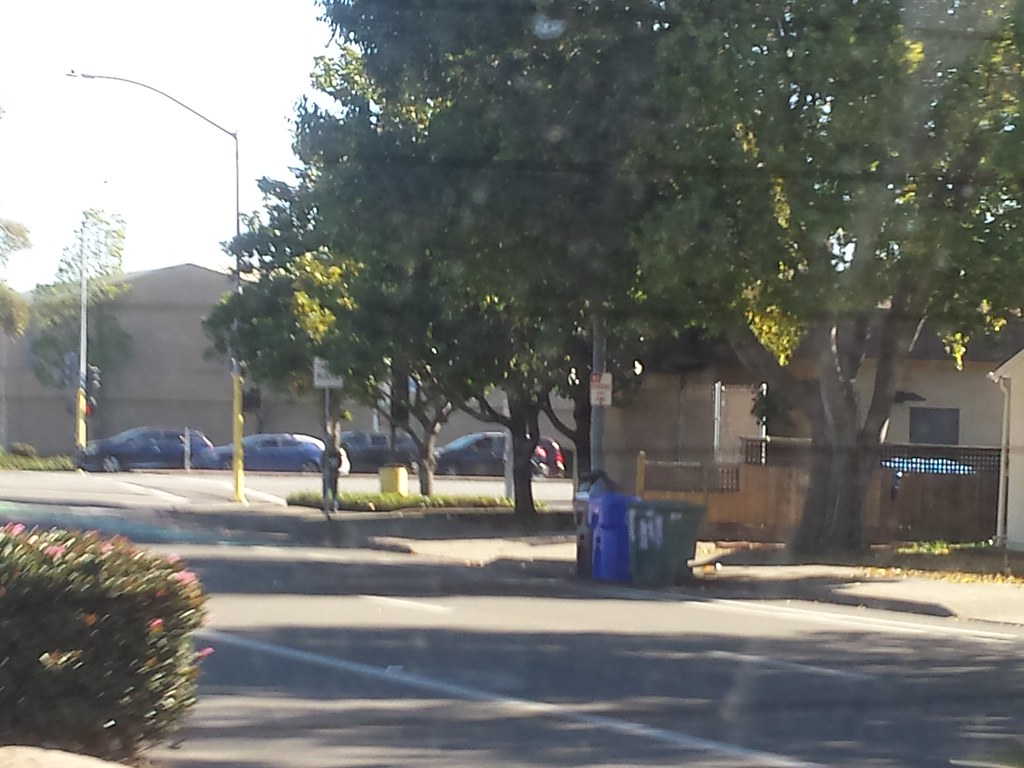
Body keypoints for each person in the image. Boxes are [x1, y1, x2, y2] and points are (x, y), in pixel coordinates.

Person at [322, 432, 343, 515]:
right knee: (328, 491)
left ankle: (333, 507)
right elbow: (323, 462)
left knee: (332, 491)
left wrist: (335, 467)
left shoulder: (335, 452)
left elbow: (339, 462)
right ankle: (328, 507)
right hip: (329, 473)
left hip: (332, 474)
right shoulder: (326, 452)